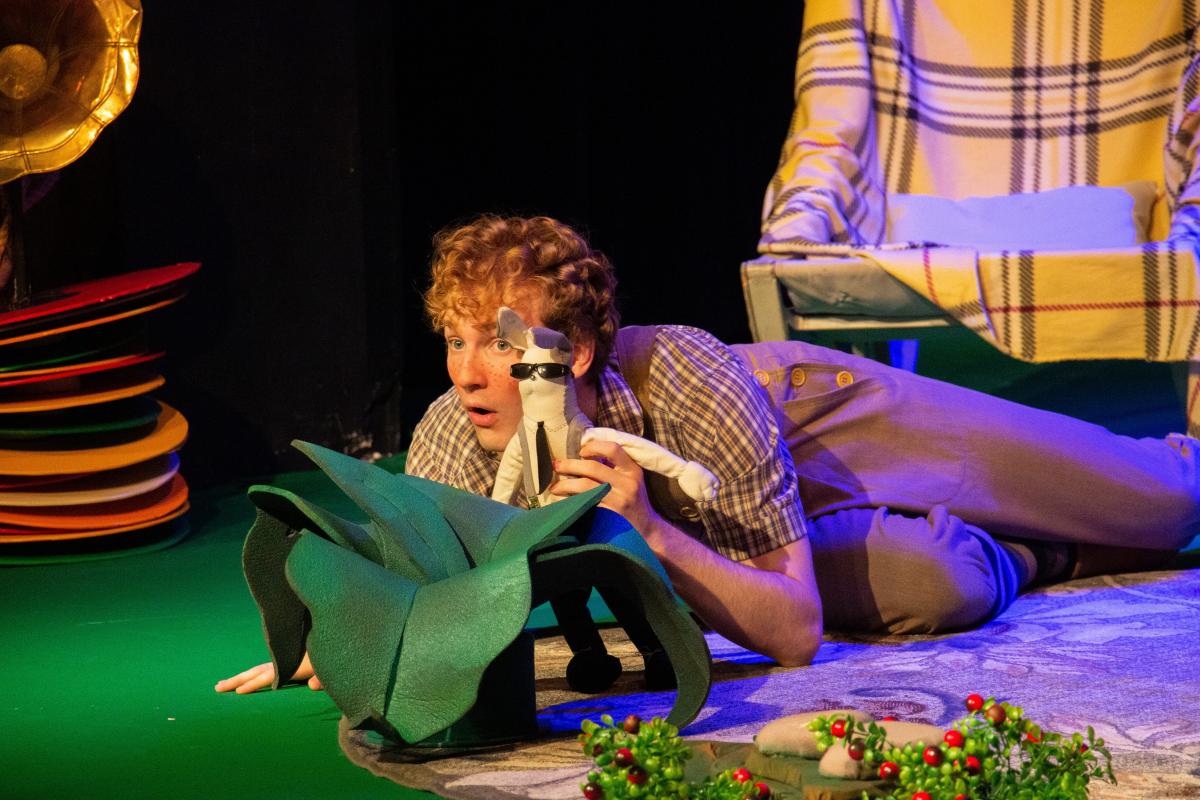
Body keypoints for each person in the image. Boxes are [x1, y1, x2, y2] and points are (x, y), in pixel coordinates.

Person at [218, 214, 1199, 693]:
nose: (468, 373)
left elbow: (791, 634)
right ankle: (1039, 551)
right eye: (454, 341)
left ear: (577, 352)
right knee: (933, 581)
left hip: (818, 426)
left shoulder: (691, 375)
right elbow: (414, 585)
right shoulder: (453, 436)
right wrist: (340, 640)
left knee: (1165, 503)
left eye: (500, 345)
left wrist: (649, 527)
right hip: (745, 533)